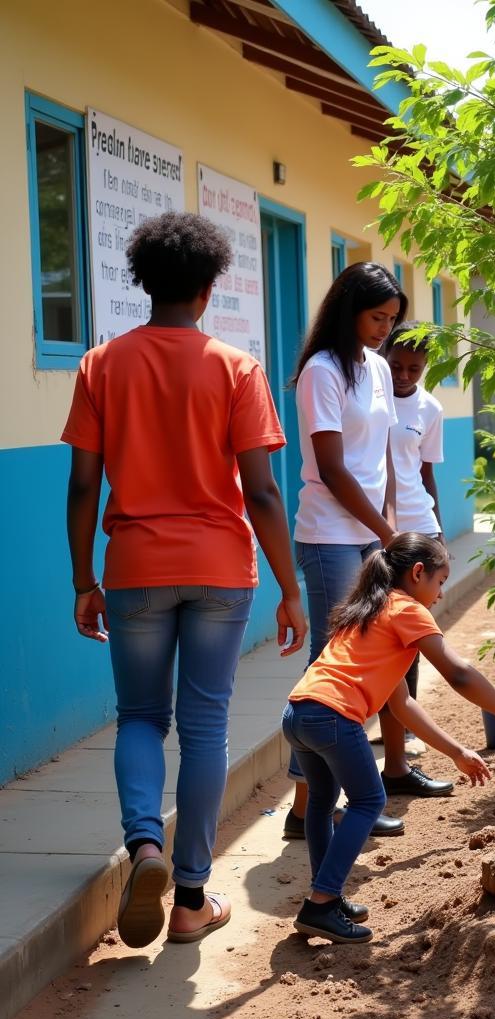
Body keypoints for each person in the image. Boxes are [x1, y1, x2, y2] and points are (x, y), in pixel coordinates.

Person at [63, 211, 307, 947]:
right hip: (218, 572)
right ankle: (192, 899)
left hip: (134, 568)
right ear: (207, 289)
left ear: (143, 283)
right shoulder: (236, 369)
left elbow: (82, 486)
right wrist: (291, 587)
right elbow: (262, 491)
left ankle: (145, 847)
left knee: (140, 717)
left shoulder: (100, 365)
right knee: (206, 725)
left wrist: (84, 579)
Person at [282, 532, 495, 943]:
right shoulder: (407, 609)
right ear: (418, 573)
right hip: (334, 717)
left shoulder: (368, 610)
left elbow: (402, 706)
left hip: (299, 711)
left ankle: (326, 896)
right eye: (440, 581)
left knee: (320, 802)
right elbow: (457, 673)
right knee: (370, 800)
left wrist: (457, 751)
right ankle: (320, 902)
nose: (440, 594)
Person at [285, 264, 449, 845]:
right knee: (332, 665)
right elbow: (331, 467)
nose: (385, 329)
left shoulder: (378, 368)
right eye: (377, 317)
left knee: (371, 657)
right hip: (331, 533)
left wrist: (390, 527)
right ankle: (307, 805)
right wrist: (385, 532)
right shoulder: (321, 371)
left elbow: (378, 461)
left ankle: (321, 803)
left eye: (391, 319)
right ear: (348, 308)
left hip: (373, 530)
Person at [383, 321, 445, 713]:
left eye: (414, 369)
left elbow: (427, 476)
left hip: (418, 527)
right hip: (375, 528)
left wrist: (439, 540)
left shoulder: (431, 408)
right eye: (396, 366)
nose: (404, 376)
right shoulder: (367, 396)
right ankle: (378, 711)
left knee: (412, 628)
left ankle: (404, 722)